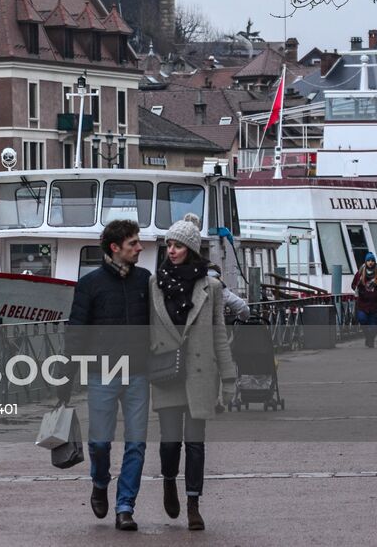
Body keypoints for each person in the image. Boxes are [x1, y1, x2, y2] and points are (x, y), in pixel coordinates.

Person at [60, 218, 150, 532]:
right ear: (115, 248)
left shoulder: (145, 281)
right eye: (133, 244)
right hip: (102, 372)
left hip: (139, 372)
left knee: (136, 444)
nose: (139, 248)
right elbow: (77, 331)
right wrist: (66, 376)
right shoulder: (90, 284)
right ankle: (100, 482)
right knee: (100, 443)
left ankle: (125, 507)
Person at [150, 213, 237, 532]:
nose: (171, 250)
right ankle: (169, 481)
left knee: (196, 444)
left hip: (200, 373)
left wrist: (228, 379)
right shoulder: (155, 283)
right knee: (170, 442)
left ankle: (193, 503)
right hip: (165, 371)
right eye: (168, 245)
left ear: (191, 249)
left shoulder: (210, 287)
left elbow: (219, 335)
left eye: (177, 245)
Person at [351, 253, 377, 348]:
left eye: (372, 261)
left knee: (373, 325)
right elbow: (353, 285)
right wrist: (359, 286)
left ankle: (371, 340)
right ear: (365, 262)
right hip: (362, 303)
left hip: (375, 303)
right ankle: (368, 337)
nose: (370, 263)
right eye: (368, 261)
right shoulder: (360, 273)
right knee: (362, 319)